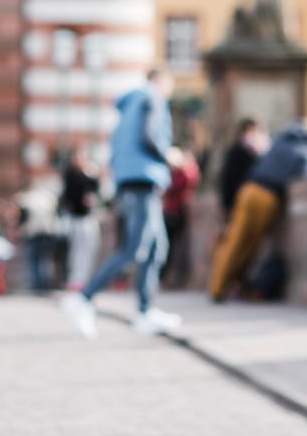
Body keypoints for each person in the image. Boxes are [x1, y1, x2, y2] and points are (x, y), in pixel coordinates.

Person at [61, 68, 182, 338]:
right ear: (162, 80)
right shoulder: (153, 98)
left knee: (154, 247)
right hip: (144, 179)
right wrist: (169, 157)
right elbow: (150, 137)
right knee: (135, 248)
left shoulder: (127, 109)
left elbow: (116, 149)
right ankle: (84, 298)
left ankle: (144, 312)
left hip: (129, 179)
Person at [208, 122, 307, 302]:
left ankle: (219, 286)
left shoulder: (279, 142)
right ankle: (219, 289)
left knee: (235, 240)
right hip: (267, 196)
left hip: (248, 190)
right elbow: (306, 174)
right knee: (246, 244)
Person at [60, 144, 101, 292]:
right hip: (76, 218)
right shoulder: (71, 174)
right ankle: (75, 280)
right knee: (77, 251)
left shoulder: (90, 173)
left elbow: (96, 191)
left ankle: (86, 279)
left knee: (90, 249)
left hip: (89, 216)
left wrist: (92, 174)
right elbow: (70, 194)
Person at [161, 147, 200, 289]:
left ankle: (167, 277)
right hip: (172, 212)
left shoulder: (184, 173)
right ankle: (164, 278)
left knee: (172, 248)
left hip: (177, 212)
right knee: (168, 247)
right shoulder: (176, 174)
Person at [16, 177, 61, 292]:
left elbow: (23, 218)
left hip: (33, 232)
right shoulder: (49, 198)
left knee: (33, 260)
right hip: (49, 232)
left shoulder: (27, 199)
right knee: (45, 259)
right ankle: (45, 285)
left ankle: (37, 285)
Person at [218, 118, 267, 222]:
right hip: (238, 201)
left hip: (256, 199)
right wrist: (227, 204)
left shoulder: (263, 152)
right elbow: (228, 179)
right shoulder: (236, 151)